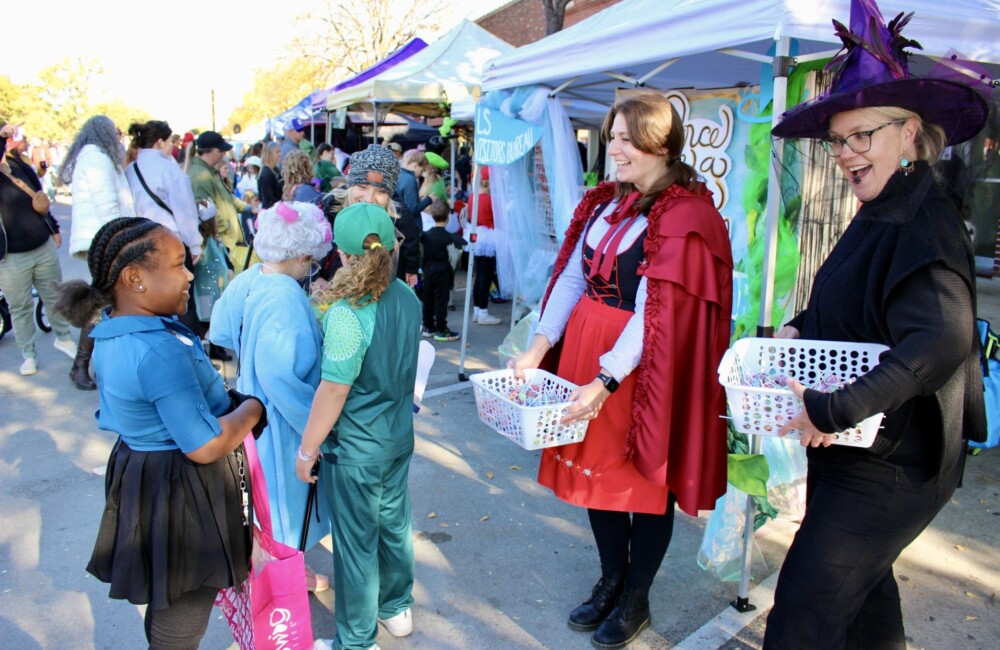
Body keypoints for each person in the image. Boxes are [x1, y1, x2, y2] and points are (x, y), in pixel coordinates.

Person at [762, 2, 992, 648]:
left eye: (862, 135)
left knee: (802, 621)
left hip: (890, 466)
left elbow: (942, 338)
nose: (845, 153)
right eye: (838, 140)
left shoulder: (923, 218)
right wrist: (801, 328)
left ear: (909, 132)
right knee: (865, 606)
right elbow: (862, 303)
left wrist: (832, 410)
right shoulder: (885, 206)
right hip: (862, 457)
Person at [510, 92, 733, 648]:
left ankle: (637, 596)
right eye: (611, 136)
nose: (616, 148)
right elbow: (570, 279)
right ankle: (611, 580)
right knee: (595, 476)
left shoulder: (685, 215)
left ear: (661, 144)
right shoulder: (602, 203)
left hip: (645, 365)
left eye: (628, 138)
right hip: (587, 345)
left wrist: (606, 379)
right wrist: (539, 347)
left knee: (642, 481)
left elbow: (656, 308)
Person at [60, 216, 265, 649]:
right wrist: (252, 408)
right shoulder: (156, 348)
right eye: (178, 265)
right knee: (185, 607)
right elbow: (206, 444)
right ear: (135, 278)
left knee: (167, 594)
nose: (190, 274)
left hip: (147, 475)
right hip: (181, 491)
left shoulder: (118, 328)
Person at [296, 202, 421, 650]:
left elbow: (333, 391)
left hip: (355, 450)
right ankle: (396, 608)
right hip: (396, 437)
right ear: (390, 245)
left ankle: (356, 640)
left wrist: (306, 451)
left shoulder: (348, 313)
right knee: (393, 525)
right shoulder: (407, 295)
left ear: (343, 255)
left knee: (355, 547)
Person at [209, 200, 333, 591]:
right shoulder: (286, 298)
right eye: (310, 260)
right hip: (279, 420)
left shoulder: (251, 278)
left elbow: (221, 331)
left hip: (250, 406)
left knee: (265, 503)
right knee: (285, 506)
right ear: (300, 256)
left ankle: (286, 568)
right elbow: (283, 378)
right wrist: (316, 433)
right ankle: (286, 578)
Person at [59, 115, 137, 389]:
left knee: (109, 303)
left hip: (104, 240)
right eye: (115, 132)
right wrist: (120, 241)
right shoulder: (96, 159)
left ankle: (91, 365)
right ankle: (81, 365)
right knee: (102, 304)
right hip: (104, 242)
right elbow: (108, 207)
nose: (119, 137)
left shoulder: (97, 157)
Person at [0, 123, 77, 377]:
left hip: (40, 246)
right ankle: (28, 354)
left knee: (54, 295)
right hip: (10, 256)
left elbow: (40, 198)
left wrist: (53, 228)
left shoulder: (19, 165)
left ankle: (64, 338)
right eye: (10, 136)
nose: (16, 140)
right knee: (20, 307)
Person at [124, 120, 208, 339]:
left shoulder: (130, 170)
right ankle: (191, 354)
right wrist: (195, 244)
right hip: (171, 242)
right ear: (160, 141)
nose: (171, 146)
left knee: (150, 300)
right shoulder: (169, 169)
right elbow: (185, 211)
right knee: (183, 301)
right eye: (170, 141)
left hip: (141, 242)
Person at [314, 144, 403, 284]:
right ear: (350, 185)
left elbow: (388, 288)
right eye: (362, 187)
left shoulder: (390, 232)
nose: (369, 199)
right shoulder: (321, 213)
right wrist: (315, 279)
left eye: (380, 191)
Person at [188, 131, 257, 273]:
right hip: (220, 242)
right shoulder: (200, 175)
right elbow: (205, 212)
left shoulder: (209, 171)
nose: (223, 154)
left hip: (226, 241)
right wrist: (225, 226)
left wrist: (249, 208)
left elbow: (227, 198)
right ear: (211, 151)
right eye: (221, 151)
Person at [420, 199, 466, 342]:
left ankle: (428, 325)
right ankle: (441, 328)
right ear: (447, 217)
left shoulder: (426, 235)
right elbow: (463, 243)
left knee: (427, 298)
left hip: (428, 270)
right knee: (441, 301)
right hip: (442, 271)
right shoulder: (448, 236)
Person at [469, 167, 501, 325]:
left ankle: (477, 310)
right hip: (489, 236)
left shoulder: (472, 197)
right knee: (486, 277)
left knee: (478, 275)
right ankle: (483, 312)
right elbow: (497, 219)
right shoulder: (490, 199)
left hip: (476, 236)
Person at [394, 149, 430, 288]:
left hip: (397, 232)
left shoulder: (398, 175)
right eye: (421, 169)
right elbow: (411, 209)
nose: (421, 173)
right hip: (408, 233)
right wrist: (428, 200)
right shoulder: (409, 179)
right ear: (415, 164)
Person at [258, 142, 283, 209]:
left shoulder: (276, 171)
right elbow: (269, 200)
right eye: (277, 152)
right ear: (270, 154)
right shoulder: (266, 175)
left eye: (280, 152)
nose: (280, 154)